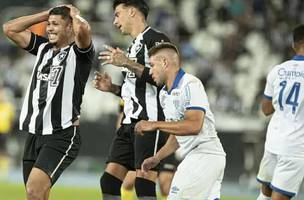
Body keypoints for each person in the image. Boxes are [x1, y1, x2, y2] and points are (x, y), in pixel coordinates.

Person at [3, 5, 94, 200]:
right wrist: (47, 14)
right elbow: (9, 28)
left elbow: (84, 31)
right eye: (48, 24)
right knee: (37, 195)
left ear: (70, 28)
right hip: (35, 133)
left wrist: (74, 15)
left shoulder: (79, 54)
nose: (49, 28)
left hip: (61, 134)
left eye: (56, 24)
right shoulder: (43, 48)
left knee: (34, 191)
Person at [93, 0, 172, 199]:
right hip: (129, 123)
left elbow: (164, 79)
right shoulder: (133, 46)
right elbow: (136, 91)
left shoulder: (156, 39)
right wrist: (112, 88)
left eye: (117, 14)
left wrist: (127, 63)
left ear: (132, 12)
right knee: (109, 181)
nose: (114, 21)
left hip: (149, 122)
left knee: (144, 182)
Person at [134, 42, 226, 200]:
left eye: (152, 65)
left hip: (204, 155)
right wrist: (157, 158)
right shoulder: (164, 94)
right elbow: (178, 135)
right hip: (203, 157)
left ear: (164, 63)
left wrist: (155, 124)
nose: (151, 71)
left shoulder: (190, 84)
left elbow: (194, 126)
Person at [256, 24, 304, 200]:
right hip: (296, 145)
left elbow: (266, 109)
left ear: (293, 45)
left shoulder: (278, 70)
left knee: (265, 193)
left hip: (273, 142)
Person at [0, 87, 15, 180]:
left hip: (5, 132)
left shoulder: (8, 106)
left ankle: (4, 172)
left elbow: (11, 120)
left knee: (4, 152)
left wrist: (9, 130)